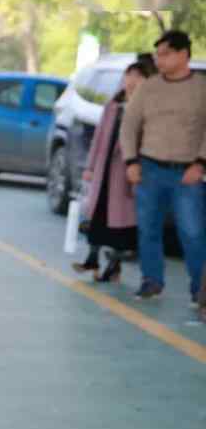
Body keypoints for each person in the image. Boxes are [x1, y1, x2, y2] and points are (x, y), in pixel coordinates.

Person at [120, 30, 206, 302]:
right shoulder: (149, 87)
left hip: (187, 173)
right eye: (157, 55)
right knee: (148, 229)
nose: (159, 60)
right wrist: (131, 160)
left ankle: (200, 290)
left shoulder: (201, 88)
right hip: (150, 169)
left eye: (165, 54)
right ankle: (151, 281)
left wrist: (201, 164)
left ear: (183, 54)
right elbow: (129, 125)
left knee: (192, 233)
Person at [71, 62, 150, 282]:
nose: (131, 80)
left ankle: (114, 265)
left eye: (138, 76)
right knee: (98, 218)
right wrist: (90, 167)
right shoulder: (113, 105)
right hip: (104, 171)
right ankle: (92, 259)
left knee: (121, 225)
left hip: (125, 174)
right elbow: (98, 138)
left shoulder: (146, 107)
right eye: (129, 75)